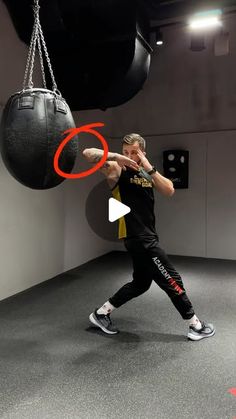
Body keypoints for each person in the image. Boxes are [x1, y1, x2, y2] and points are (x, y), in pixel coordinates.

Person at [82, 133, 215, 341]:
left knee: (141, 283)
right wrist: (118, 156)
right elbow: (87, 154)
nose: (129, 156)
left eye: (133, 152)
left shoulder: (146, 174)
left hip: (146, 235)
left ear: (142, 152)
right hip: (138, 237)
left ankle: (101, 313)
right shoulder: (117, 169)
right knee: (172, 279)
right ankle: (195, 325)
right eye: (126, 151)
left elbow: (169, 190)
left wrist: (148, 166)